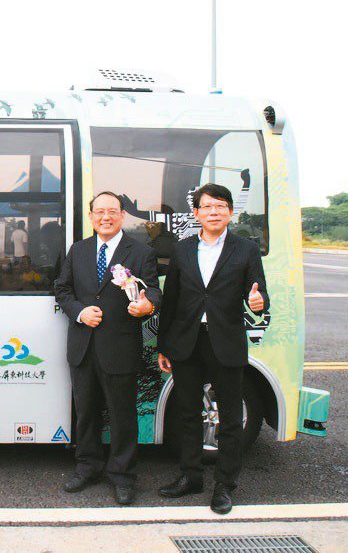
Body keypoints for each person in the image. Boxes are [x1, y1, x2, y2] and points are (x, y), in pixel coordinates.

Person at [156, 183, 269, 515]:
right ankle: (191, 476)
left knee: (230, 419)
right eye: (207, 207)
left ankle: (224, 485)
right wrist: (164, 344)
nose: (214, 212)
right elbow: (172, 298)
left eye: (220, 206)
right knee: (188, 413)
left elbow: (260, 297)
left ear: (230, 212)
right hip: (186, 340)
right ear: (196, 213)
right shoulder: (183, 249)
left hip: (225, 341)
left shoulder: (246, 250)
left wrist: (258, 302)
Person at [54, 191, 161, 505]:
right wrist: (79, 311)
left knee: (122, 414)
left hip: (121, 346)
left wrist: (148, 305)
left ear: (122, 215)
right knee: (85, 411)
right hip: (83, 345)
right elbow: (62, 289)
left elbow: (152, 289)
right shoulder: (79, 250)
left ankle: (123, 475)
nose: (106, 217)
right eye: (99, 212)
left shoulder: (140, 252)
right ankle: (87, 466)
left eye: (112, 211)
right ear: (91, 216)